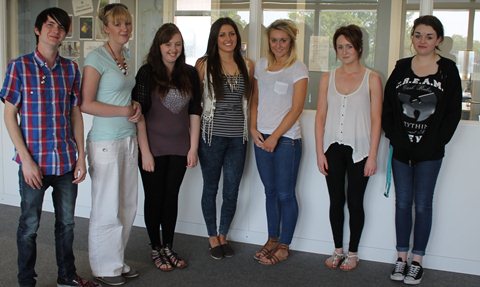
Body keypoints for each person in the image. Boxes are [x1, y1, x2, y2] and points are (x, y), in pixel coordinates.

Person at [0, 7, 100, 287]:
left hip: (65, 162)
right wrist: (25, 158)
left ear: (65, 33)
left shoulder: (70, 69)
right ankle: (26, 281)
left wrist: (81, 157)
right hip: (33, 164)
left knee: (66, 225)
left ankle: (66, 277)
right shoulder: (18, 66)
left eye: (61, 27)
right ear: (37, 29)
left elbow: (75, 114)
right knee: (29, 227)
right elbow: (10, 115)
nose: (55, 31)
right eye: (50, 25)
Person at [382, 15, 461, 285]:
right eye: (417, 35)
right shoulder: (402, 66)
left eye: (428, 36)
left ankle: (417, 261)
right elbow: (388, 107)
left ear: (438, 40)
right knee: (402, 203)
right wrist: (396, 137)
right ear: (412, 37)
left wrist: (435, 143)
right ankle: (401, 257)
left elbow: (452, 113)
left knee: (423, 205)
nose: (422, 40)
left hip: (430, 153)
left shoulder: (448, 69)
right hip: (402, 151)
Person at [80, 3, 141, 286]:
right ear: (106, 27)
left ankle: (116, 260)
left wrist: (134, 106)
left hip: (128, 138)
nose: (124, 28)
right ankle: (103, 268)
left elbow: (124, 97)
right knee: (107, 207)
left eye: (127, 23)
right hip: (105, 142)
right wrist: (123, 111)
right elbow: (86, 103)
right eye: (118, 24)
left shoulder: (126, 56)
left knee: (127, 205)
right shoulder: (96, 58)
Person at [132, 23, 202, 271]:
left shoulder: (190, 74)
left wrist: (193, 148)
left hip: (180, 148)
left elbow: (195, 112)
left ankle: (168, 246)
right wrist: (146, 152)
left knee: (171, 197)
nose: (173, 49)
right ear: (158, 46)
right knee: (154, 198)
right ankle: (155, 247)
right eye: (168, 44)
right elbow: (138, 114)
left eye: (177, 44)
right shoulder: (146, 73)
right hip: (152, 148)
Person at [314, 24, 383, 271]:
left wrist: (373, 156)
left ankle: (353, 253)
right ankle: (337, 250)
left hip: (361, 151)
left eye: (349, 46)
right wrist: (319, 152)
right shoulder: (327, 78)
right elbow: (320, 116)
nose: (344, 51)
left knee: (355, 202)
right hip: (332, 149)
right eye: (340, 47)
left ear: (359, 48)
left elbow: (377, 120)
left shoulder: (372, 79)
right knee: (335, 200)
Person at [250, 19, 308, 265]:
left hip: (286, 140)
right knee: (270, 192)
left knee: (285, 193)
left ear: (291, 41)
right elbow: (254, 100)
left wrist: (275, 136)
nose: (278, 45)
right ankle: (272, 238)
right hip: (260, 138)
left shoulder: (298, 68)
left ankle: (284, 244)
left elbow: (296, 109)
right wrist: (252, 128)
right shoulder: (261, 66)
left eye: (283, 40)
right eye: (274, 40)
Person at [195, 17, 254, 260]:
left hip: (237, 139)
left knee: (231, 190)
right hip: (210, 137)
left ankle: (223, 235)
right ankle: (211, 236)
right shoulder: (204, 65)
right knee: (210, 188)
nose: (228, 39)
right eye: (222, 35)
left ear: (237, 38)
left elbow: (252, 103)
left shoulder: (247, 65)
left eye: (231, 34)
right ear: (215, 38)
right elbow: (194, 104)